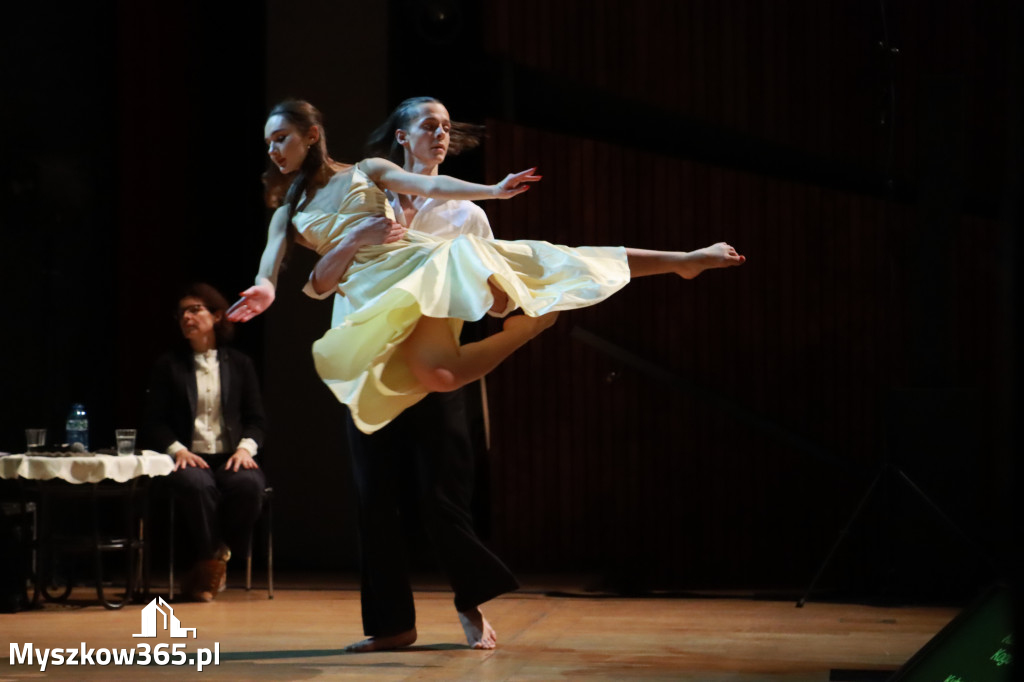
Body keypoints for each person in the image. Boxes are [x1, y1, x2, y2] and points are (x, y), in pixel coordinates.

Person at [228, 99, 745, 438]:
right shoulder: (287, 211)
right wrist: (263, 291)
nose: (274, 150)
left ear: (312, 135)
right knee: (442, 374)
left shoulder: (369, 172)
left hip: (424, 263)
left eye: (281, 138)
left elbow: (432, 186)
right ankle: (535, 324)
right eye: (269, 142)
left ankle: (683, 262)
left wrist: (492, 190)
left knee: (552, 260)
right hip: (378, 296)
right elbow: (269, 269)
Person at [342, 97, 519, 652]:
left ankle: (470, 602)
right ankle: (393, 626)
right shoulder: (370, 202)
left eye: (446, 128)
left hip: (437, 369)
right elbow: (337, 277)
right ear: (402, 136)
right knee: (376, 499)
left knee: (444, 496)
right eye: (429, 126)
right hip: (374, 370)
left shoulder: (468, 213)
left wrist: (497, 293)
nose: (440, 135)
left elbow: (494, 306)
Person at [144, 283, 268, 602]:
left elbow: (256, 418)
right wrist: (178, 450)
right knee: (196, 486)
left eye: (195, 309)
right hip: (189, 456)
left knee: (250, 485)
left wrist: (245, 449)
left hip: (230, 455)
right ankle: (212, 562)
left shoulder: (240, 364)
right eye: (182, 312)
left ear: (216, 315)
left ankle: (213, 558)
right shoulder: (168, 365)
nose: (187, 316)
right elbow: (154, 421)